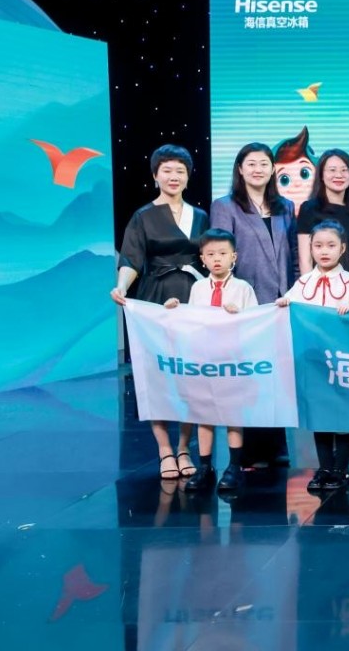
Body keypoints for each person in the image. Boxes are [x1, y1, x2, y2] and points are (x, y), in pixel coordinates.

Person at [111, 144, 210, 480]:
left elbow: (210, 257)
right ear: (155, 176)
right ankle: (164, 449)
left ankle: (184, 447)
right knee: (158, 376)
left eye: (180, 171)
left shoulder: (200, 216)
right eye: (167, 170)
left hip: (193, 298)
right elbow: (131, 258)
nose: (173, 176)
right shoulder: (143, 216)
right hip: (155, 298)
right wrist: (122, 287)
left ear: (188, 177)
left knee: (190, 376)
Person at [211, 141, 299, 469]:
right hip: (245, 304)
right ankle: (249, 450)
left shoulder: (285, 206)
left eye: (264, 163)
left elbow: (294, 254)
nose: (258, 169)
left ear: (273, 168)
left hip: (280, 303)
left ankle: (277, 445)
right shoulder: (225, 206)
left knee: (276, 374)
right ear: (240, 169)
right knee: (248, 376)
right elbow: (221, 254)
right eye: (251, 163)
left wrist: (295, 292)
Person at [276, 220, 349, 492]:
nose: (324, 251)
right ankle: (324, 467)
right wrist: (284, 303)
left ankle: (341, 469)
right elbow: (290, 307)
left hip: (343, 362)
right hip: (314, 363)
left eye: (331, 245)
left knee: (344, 414)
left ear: (343, 248)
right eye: (318, 245)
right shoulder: (303, 283)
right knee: (319, 414)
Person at [162, 229, 258, 492]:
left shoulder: (243, 288)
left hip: (231, 361)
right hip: (204, 360)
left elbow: (255, 323)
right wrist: (176, 310)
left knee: (232, 413)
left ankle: (234, 466)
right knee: (204, 413)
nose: (217, 259)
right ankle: (205, 466)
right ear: (202, 259)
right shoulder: (198, 288)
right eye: (211, 254)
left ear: (234, 257)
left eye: (223, 253)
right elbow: (192, 321)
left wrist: (238, 315)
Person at [298, 149, 349, 281]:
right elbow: (305, 260)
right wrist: (309, 287)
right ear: (321, 175)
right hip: (323, 286)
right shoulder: (309, 209)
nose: (339, 175)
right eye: (332, 170)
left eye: (344, 170)